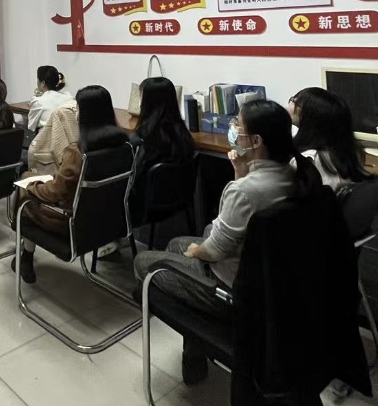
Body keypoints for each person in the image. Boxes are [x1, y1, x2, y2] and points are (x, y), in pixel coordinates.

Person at [132, 99, 322, 379]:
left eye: (238, 126)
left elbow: (215, 250)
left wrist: (197, 252)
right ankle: (193, 352)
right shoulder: (297, 173)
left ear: (256, 141)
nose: (233, 130)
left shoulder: (245, 191)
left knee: (143, 262)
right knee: (174, 244)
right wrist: (240, 173)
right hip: (274, 281)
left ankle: (200, 333)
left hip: (234, 289)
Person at [13, 85, 130, 283]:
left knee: (24, 193)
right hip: (109, 221)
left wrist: (32, 187)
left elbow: (55, 193)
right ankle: (25, 255)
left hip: (72, 223)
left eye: (78, 109)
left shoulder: (78, 152)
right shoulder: (124, 145)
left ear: (85, 115)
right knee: (30, 181)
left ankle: (26, 255)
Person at [128, 76, 197, 222]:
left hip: (145, 207)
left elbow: (133, 178)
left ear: (147, 102)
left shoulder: (141, 140)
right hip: (178, 201)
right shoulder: (183, 134)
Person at [289, 87, 372, 192]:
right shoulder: (353, 150)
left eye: (294, 101)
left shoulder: (307, 160)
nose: (290, 104)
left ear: (310, 117)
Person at [25, 65, 73, 134]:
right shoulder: (68, 97)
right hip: (68, 137)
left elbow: (31, 126)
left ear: (43, 83)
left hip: (47, 138)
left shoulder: (39, 102)